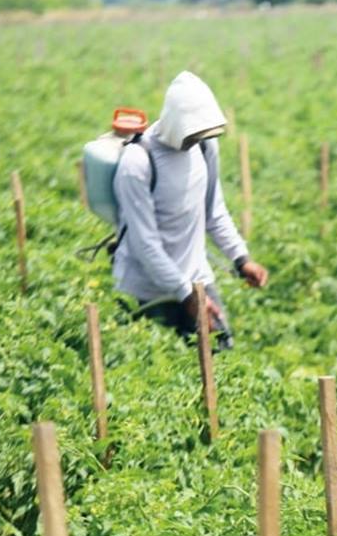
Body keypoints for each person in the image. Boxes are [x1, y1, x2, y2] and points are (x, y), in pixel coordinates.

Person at [112, 71, 268, 348]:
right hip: (148, 291)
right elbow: (145, 244)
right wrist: (187, 296)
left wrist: (241, 259)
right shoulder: (137, 162)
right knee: (157, 370)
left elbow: (214, 211)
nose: (195, 140)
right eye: (191, 135)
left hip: (196, 281)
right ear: (175, 123)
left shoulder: (206, 146)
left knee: (220, 355)